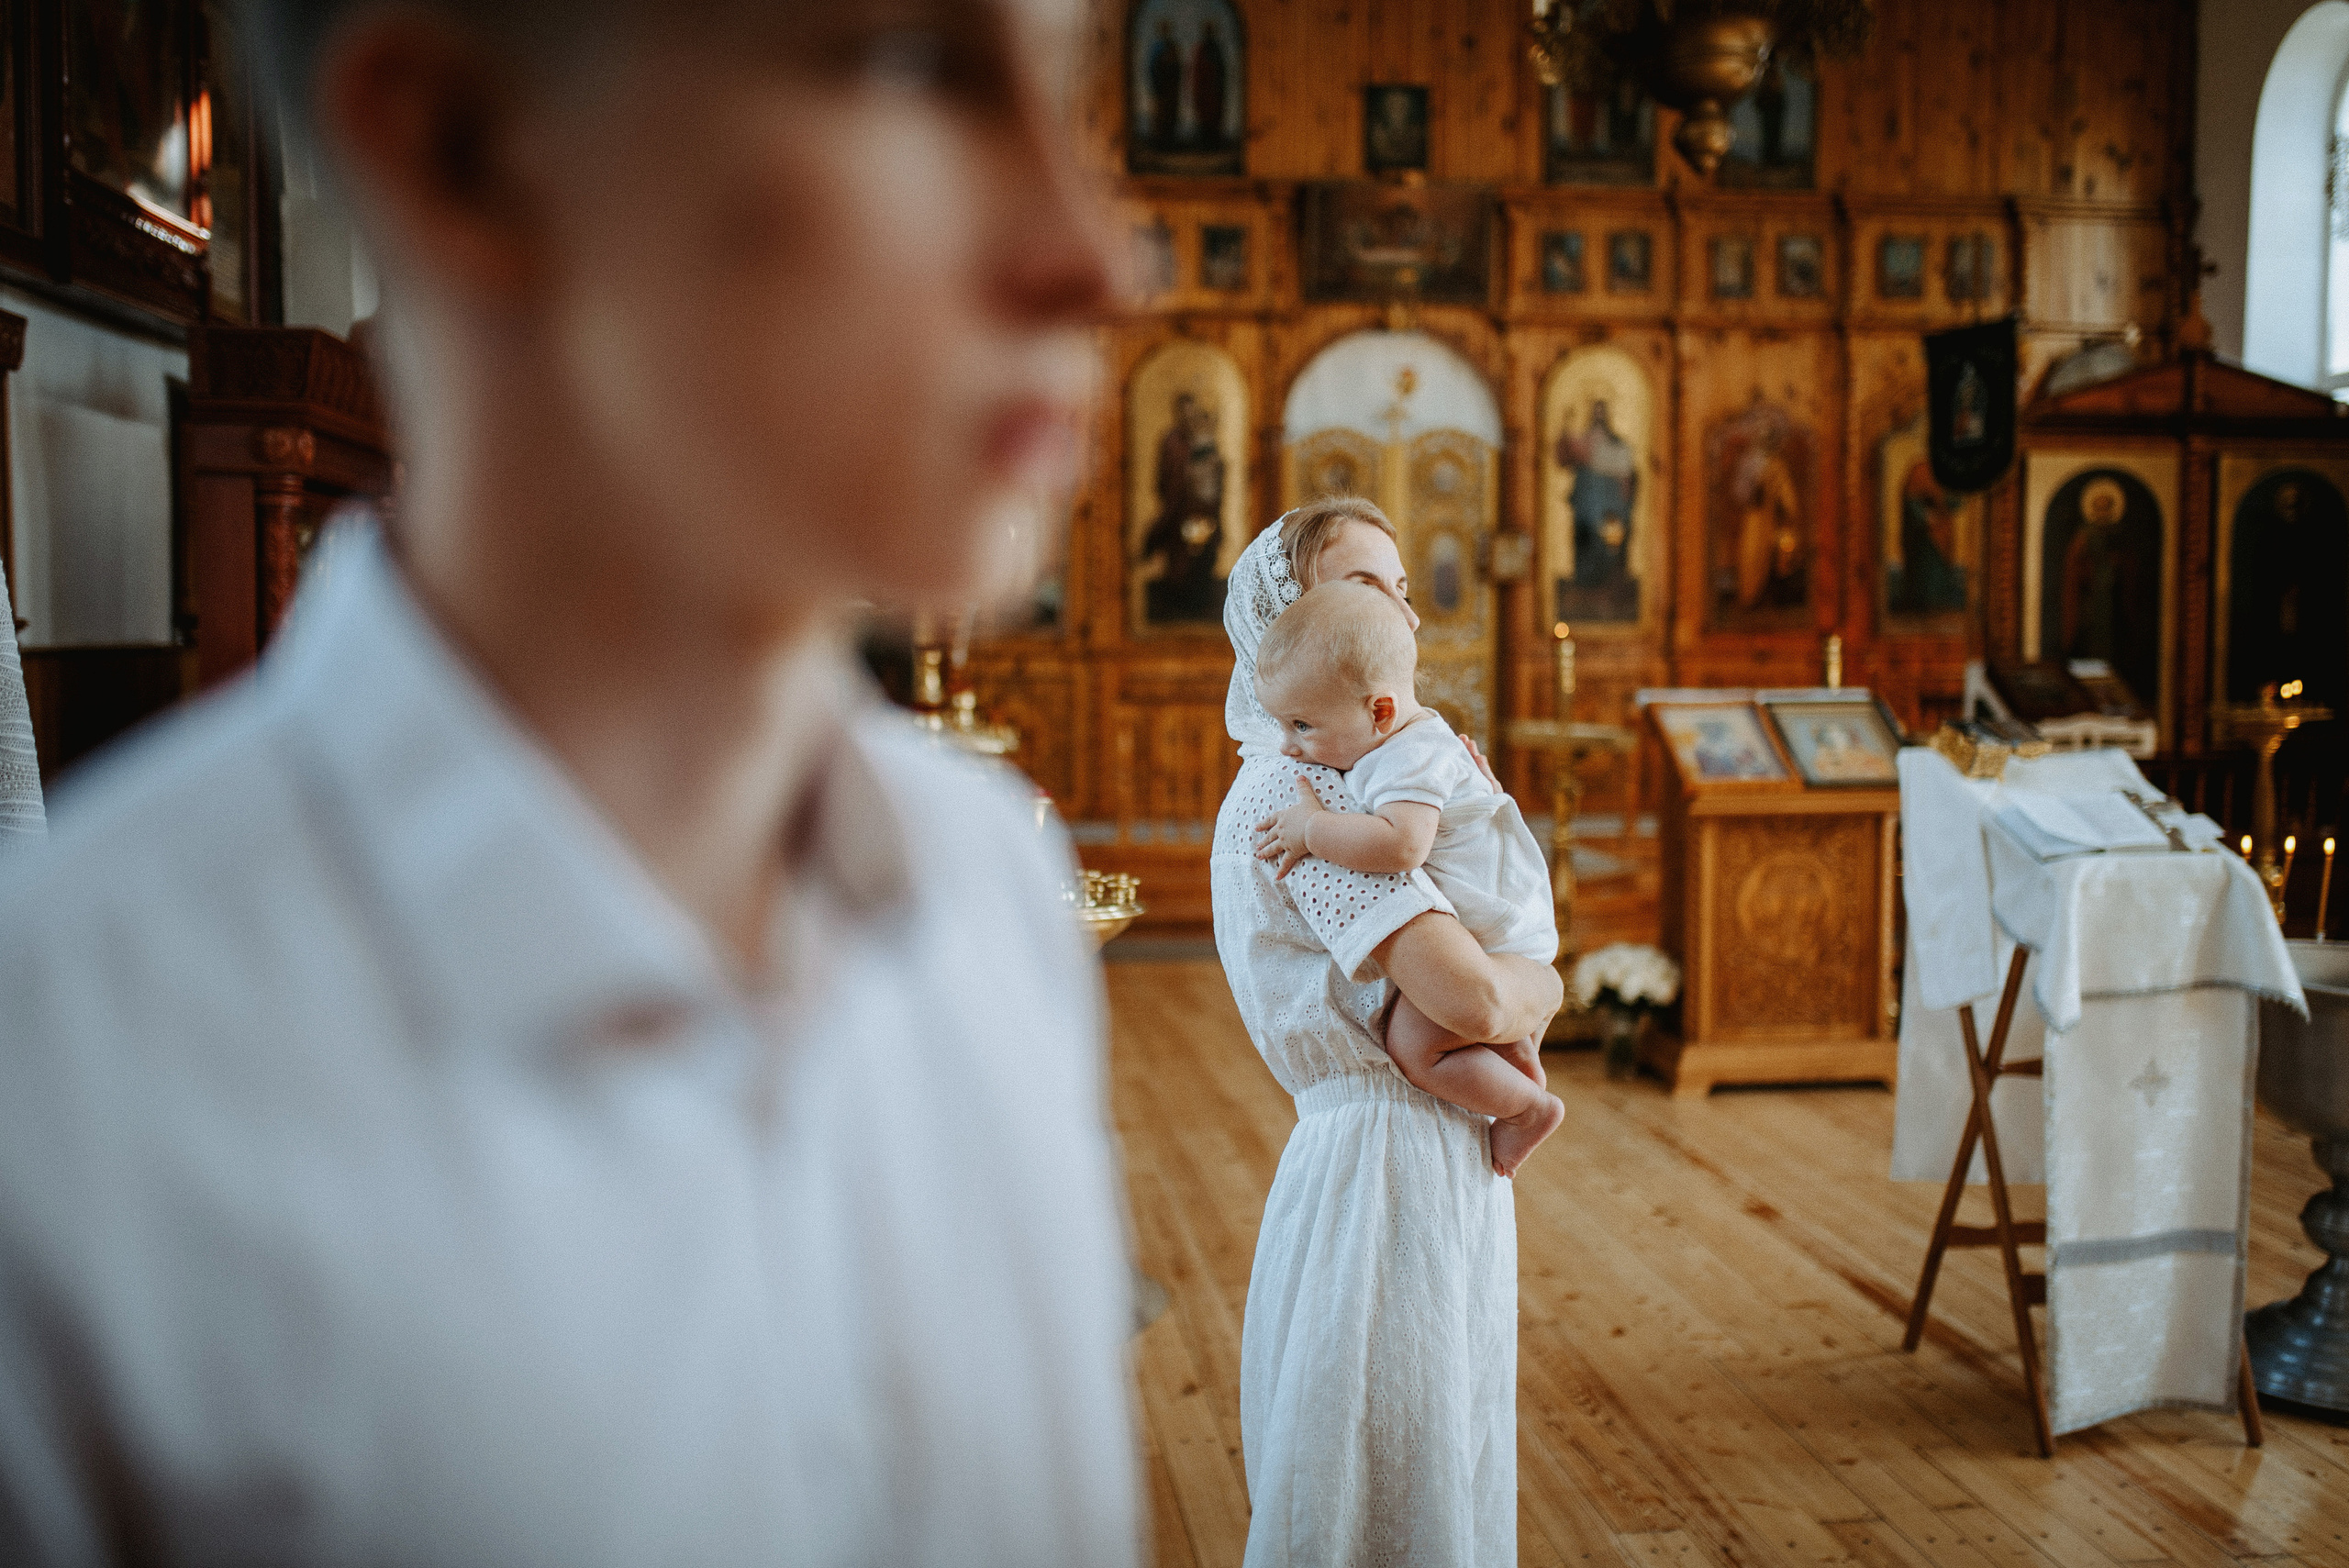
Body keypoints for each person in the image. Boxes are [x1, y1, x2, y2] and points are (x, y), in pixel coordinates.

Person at [0, 2, 1137, 1563]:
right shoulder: (61, 1097)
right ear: (462, 151)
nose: (1097, 257)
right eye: (908, 65)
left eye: (1065, 85)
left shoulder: (988, 880)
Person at [1213, 496, 1563, 1567]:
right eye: (1364, 588)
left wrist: (1526, 983)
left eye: (1400, 591)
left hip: (1427, 1156)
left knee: (1436, 1483)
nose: (1397, 615)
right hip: (1381, 1176)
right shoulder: (1297, 788)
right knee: (1371, 1496)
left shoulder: (1365, 772)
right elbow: (1477, 1002)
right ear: (1285, 622)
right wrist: (1542, 979)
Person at [1249, 581, 1564, 1176]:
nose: (1288, 748)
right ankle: (1515, 1065)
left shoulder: (1406, 754)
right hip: (1494, 928)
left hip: (1499, 934)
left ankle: (1526, 1108)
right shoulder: (1394, 740)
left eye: (1301, 725)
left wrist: (1313, 829)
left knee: (1415, 1046)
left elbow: (1401, 845)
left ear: (1380, 710)